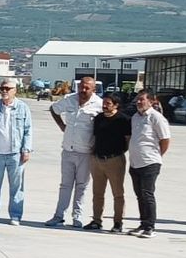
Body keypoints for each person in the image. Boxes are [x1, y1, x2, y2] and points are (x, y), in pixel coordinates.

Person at [46, 75, 102, 228]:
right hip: (68, 150)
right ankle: (59, 216)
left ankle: (77, 217)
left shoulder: (99, 104)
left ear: (93, 89)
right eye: (81, 87)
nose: (83, 90)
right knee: (65, 185)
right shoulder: (69, 99)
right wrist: (61, 126)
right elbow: (54, 109)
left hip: (85, 152)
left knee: (81, 186)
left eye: (87, 88)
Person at [0, 79, 32, 225]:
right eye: (2, 88)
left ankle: (15, 215)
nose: (4, 91)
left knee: (17, 186)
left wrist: (26, 149)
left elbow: (28, 130)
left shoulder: (23, 108)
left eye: (8, 88)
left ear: (15, 90)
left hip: (15, 153)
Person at [126, 90, 171, 238]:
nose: (139, 102)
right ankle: (143, 223)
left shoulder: (156, 117)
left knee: (147, 194)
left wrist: (157, 155)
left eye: (142, 100)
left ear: (151, 101)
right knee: (140, 195)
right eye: (137, 100)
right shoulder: (135, 117)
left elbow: (165, 140)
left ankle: (150, 226)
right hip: (135, 163)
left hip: (150, 162)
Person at [84, 94, 130, 232]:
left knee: (118, 193)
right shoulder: (99, 118)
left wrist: (119, 152)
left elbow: (127, 140)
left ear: (116, 105)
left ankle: (118, 223)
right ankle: (96, 221)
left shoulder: (123, 120)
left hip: (115, 160)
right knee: (97, 193)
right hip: (97, 160)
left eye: (108, 103)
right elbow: (96, 137)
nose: (104, 106)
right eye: (104, 103)